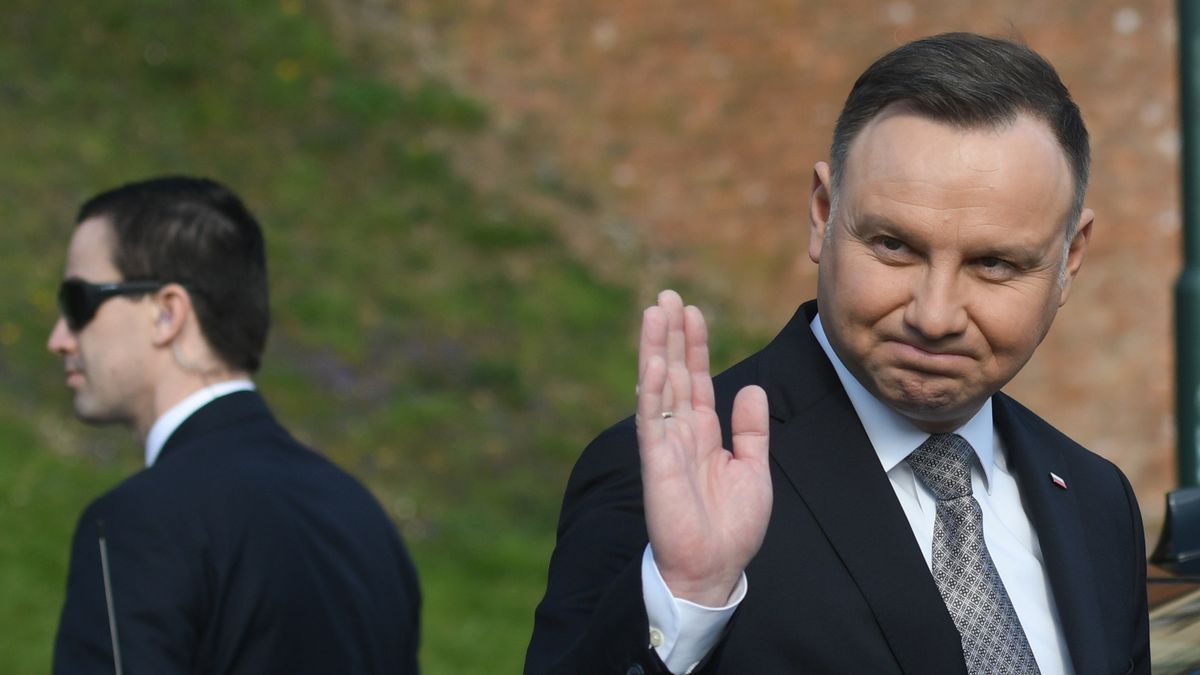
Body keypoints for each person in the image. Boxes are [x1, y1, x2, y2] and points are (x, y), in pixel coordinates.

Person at [526, 32, 1149, 674]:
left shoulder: (1098, 501)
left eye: (993, 263)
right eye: (894, 246)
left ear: (1070, 259)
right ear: (823, 214)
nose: (934, 315)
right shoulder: (674, 475)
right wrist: (685, 601)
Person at [47, 176, 421, 674]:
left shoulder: (139, 525)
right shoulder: (362, 519)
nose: (59, 338)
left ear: (167, 314)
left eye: (78, 303)